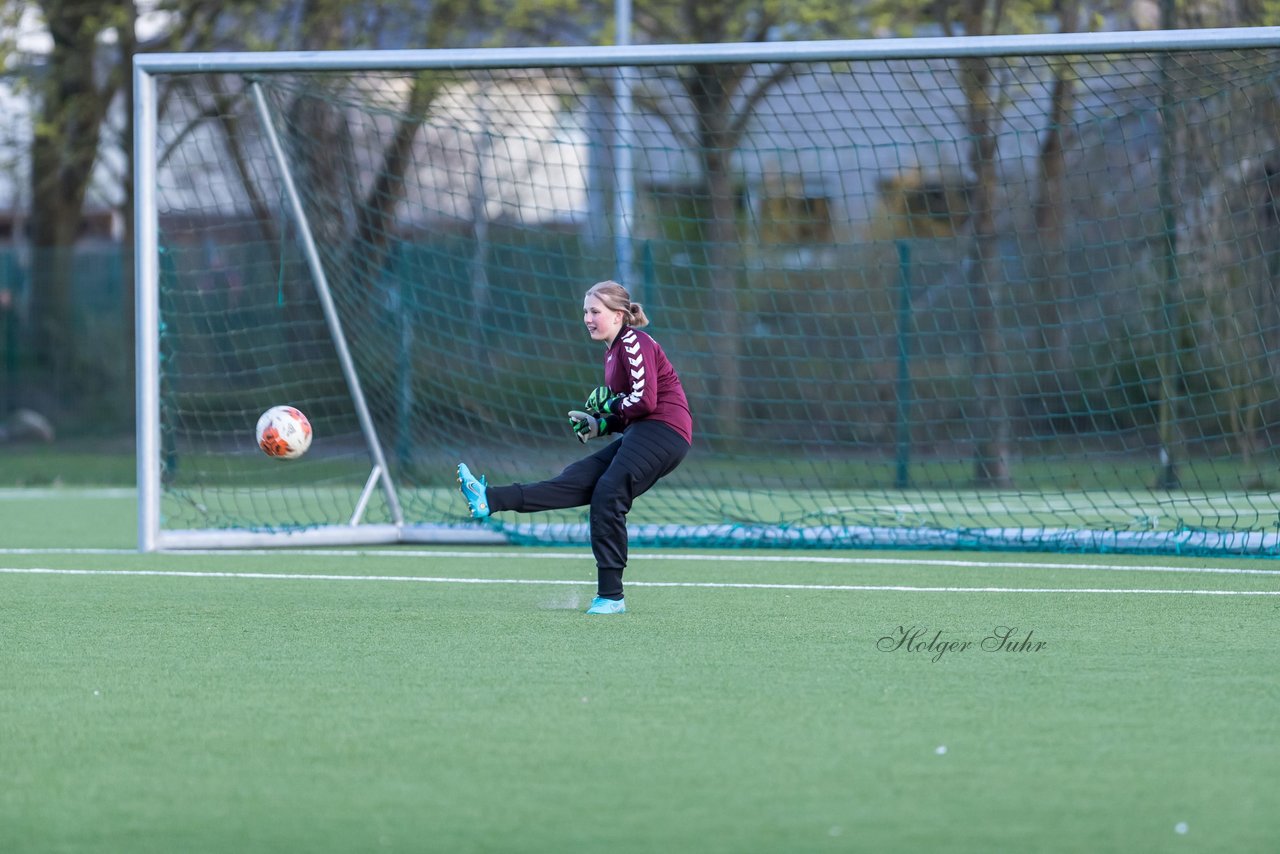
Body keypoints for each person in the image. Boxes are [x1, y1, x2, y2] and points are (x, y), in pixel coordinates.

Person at [457, 280, 693, 615]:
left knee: (609, 492)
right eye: (585, 311)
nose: (588, 318)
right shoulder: (612, 352)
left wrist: (610, 405)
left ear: (618, 315)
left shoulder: (633, 341)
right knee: (577, 479)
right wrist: (601, 425)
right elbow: (631, 412)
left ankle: (611, 597)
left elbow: (645, 401)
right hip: (646, 430)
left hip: (666, 431)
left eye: (595, 311)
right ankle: (490, 499)